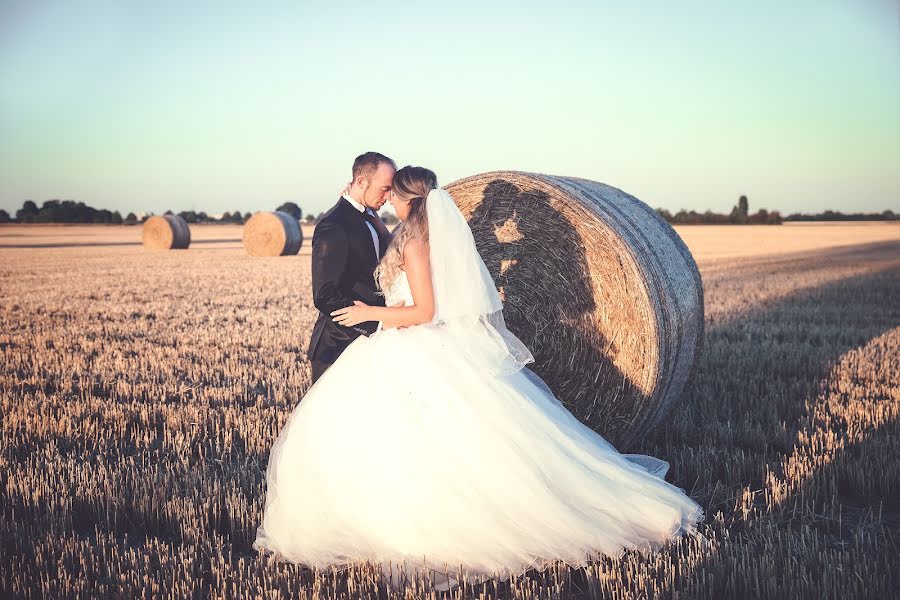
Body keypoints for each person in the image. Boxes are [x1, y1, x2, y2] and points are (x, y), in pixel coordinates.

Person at [254, 165, 705, 591]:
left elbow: (425, 311)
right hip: (413, 345)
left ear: (408, 200)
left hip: (413, 342)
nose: (386, 199)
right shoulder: (421, 237)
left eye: (393, 193)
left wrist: (372, 312)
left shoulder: (414, 244)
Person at [307, 151, 399, 383]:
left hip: (375, 343)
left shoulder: (371, 219)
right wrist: (377, 321)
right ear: (361, 181)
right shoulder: (334, 225)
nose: (389, 197)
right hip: (339, 345)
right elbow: (325, 295)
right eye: (385, 188)